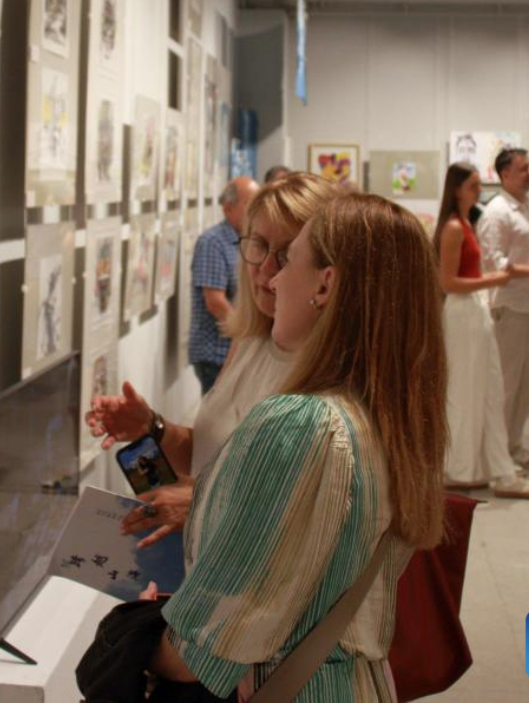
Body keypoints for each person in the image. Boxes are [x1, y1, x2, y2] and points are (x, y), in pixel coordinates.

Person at [145, 194, 448, 701]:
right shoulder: (386, 414)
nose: (274, 278)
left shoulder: (300, 423)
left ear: (325, 285)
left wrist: (129, 638)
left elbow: (200, 654)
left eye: (291, 260)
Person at [86, 174, 341, 547]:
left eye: (287, 254)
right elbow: (209, 454)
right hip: (205, 565)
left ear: (325, 275)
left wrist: (199, 505)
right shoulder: (247, 342)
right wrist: (152, 427)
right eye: (258, 245)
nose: (265, 268)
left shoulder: (328, 369)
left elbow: (309, 516)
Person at [436, 163, 529, 499]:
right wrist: (499, 279)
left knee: (487, 387)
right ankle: (462, 467)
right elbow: (448, 281)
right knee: (467, 389)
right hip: (463, 311)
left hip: (474, 309)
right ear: (457, 189)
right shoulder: (454, 227)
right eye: (472, 185)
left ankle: (487, 466)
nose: (478, 190)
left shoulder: (466, 224)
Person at [477, 148, 529, 470]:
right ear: (504, 174)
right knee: (507, 385)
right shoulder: (497, 212)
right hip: (508, 306)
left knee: (527, 382)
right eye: (523, 168)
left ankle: (514, 445)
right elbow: (492, 262)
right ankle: (497, 456)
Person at [188, 175, 259, 393]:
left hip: (235, 349)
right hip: (216, 353)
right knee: (218, 423)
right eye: (251, 204)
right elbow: (215, 302)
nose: (256, 211)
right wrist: (250, 334)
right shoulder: (213, 242)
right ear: (228, 208)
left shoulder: (246, 240)